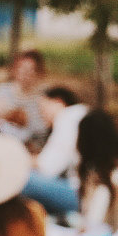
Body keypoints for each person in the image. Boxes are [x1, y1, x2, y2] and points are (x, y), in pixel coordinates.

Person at [23, 86, 88, 216]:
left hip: (82, 195)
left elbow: (48, 167)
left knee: (20, 179)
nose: (42, 115)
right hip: (89, 192)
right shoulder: (81, 114)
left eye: (43, 108)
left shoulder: (67, 117)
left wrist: (15, 158)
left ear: (58, 101)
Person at [0, 49, 49, 150]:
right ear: (15, 70)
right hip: (1, 145)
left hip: (30, 150)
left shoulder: (43, 98)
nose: (25, 73)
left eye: (30, 70)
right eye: (21, 68)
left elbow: (42, 130)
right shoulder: (2, 91)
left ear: (39, 73)